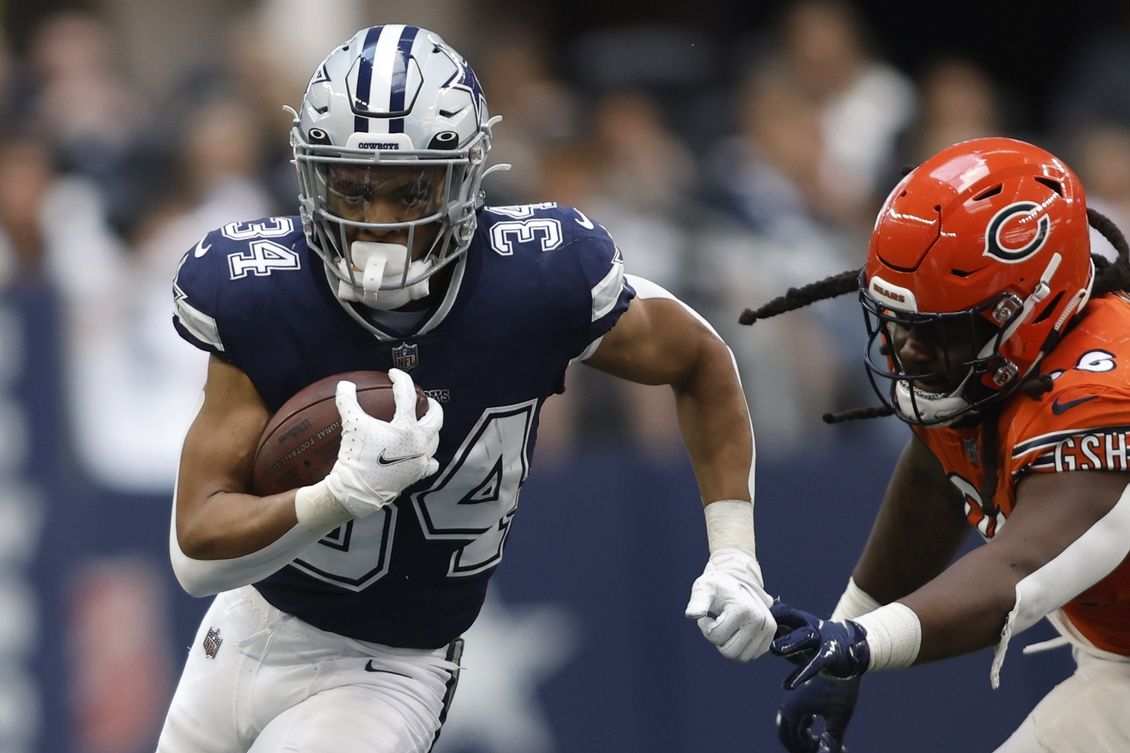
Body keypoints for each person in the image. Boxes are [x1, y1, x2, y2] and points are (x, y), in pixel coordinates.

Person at [155, 24, 776, 753]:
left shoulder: (535, 280)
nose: (379, 223)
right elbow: (197, 554)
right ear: (311, 176)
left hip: (387, 667)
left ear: (466, 177)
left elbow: (699, 358)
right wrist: (335, 495)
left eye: (410, 188)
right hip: (245, 627)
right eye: (352, 188)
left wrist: (735, 552)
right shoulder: (264, 293)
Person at [741, 137, 1130, 752]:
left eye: (938, 329)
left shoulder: (1104, 396)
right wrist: (849, 629)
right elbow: (938, 477)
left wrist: (865, 644)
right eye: (899, 322)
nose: (909, 352)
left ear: (1028, 306)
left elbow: (1020, 572)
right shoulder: (993, 360)